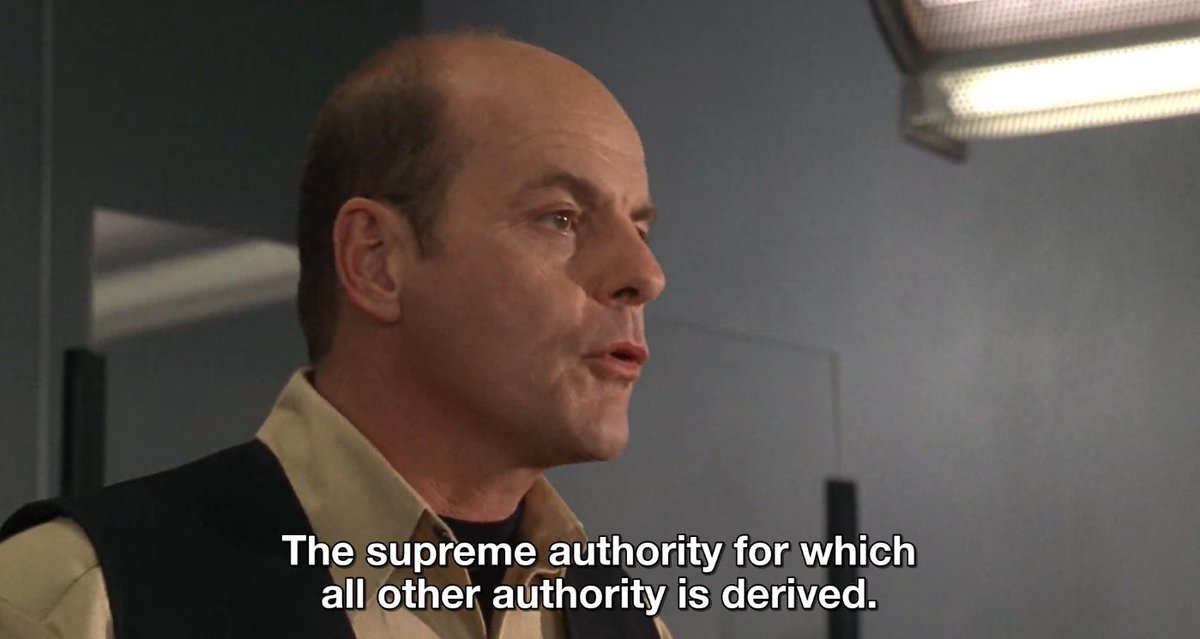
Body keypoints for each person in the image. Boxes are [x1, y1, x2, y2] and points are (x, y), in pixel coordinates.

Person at [0, 30, 670, 639]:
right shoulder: (74, 603)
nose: (645, 274)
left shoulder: (635, 627)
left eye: (639, 228)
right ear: (376, 261)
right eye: (561, 217)